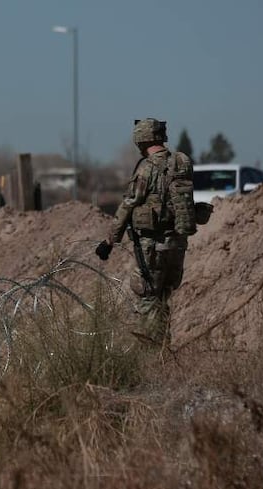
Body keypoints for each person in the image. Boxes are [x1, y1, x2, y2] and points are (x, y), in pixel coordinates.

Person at [99, 118, 196, 347]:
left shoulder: (147, 168)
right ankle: (164, 349)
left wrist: (109, 241)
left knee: (148, 299)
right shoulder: (182, 162)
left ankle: (152, 355)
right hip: (178, 244)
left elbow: (129, 204)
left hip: (153, 245)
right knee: (162, 298)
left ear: (141, 139)